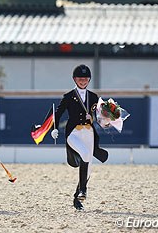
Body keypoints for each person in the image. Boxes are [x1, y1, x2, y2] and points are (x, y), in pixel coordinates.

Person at [51, 64, 108, 210]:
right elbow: (57, 113)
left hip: (89, 132)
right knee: (85, 154)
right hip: (73, 133)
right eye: (80, 79)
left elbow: (102, 117)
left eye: (85, 79)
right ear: (74, 79)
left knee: (88, 167)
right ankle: (84, 190)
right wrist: (54, 128)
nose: (83, 81)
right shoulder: (69, 96)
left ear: (89, 80)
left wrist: (109, 119)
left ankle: (77, 198)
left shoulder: (94, 97)